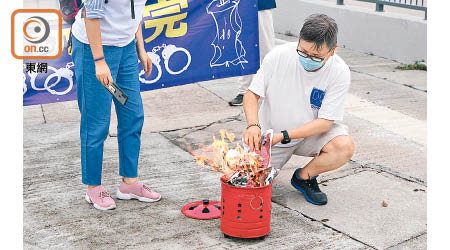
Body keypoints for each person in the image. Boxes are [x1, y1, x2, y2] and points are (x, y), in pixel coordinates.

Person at [243, 14, 355, 206]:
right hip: (271, 138)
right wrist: (253, 125)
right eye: (303, 52)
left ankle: (304, 177)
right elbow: (252, 94)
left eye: (316, 56)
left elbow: (325, 122)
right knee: (249, 187)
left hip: (310, 134)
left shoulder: (339, 71)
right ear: (298, 41)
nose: (308, 59)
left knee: (344, 146)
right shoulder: (278, 56)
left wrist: (285, 135)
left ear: (332, 51)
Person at [71, 0, 161, 210]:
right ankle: (93, 187)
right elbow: (90, 15)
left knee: (132, 114)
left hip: (126, 50)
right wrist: (99, 61)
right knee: (96, 122)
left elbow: (135, 12)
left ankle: (129, 183)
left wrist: (141, 47)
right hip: (94, 49)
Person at [228, 0, 276, 106]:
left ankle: (271, 90)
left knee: (266, 48)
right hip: (240, 6)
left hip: (261, 5)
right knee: (244, 49)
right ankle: (243, 91)